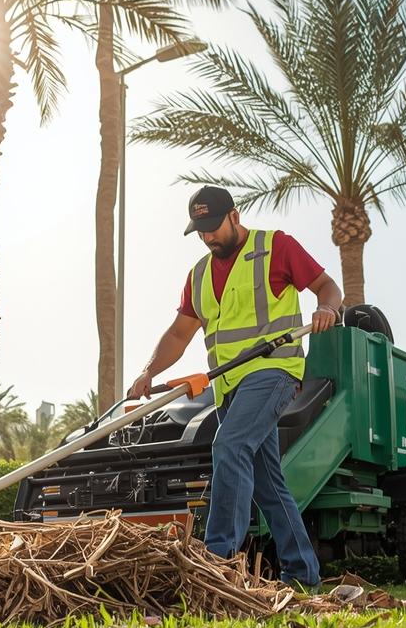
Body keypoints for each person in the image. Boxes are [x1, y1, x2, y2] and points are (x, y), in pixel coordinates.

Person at [128, 186, 342, 587]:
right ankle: (303, 573)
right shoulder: (199, 276)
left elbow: (327, 286)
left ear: (234, 216)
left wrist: (327, 307)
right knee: (267, 483)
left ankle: (217, 562)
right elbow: (179, 334)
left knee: (228, 445)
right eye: (200, 230)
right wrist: (148, 371)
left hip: (273, 372)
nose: (208, 237)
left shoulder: (275, 247)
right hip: (229, 387)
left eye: (213, 227)